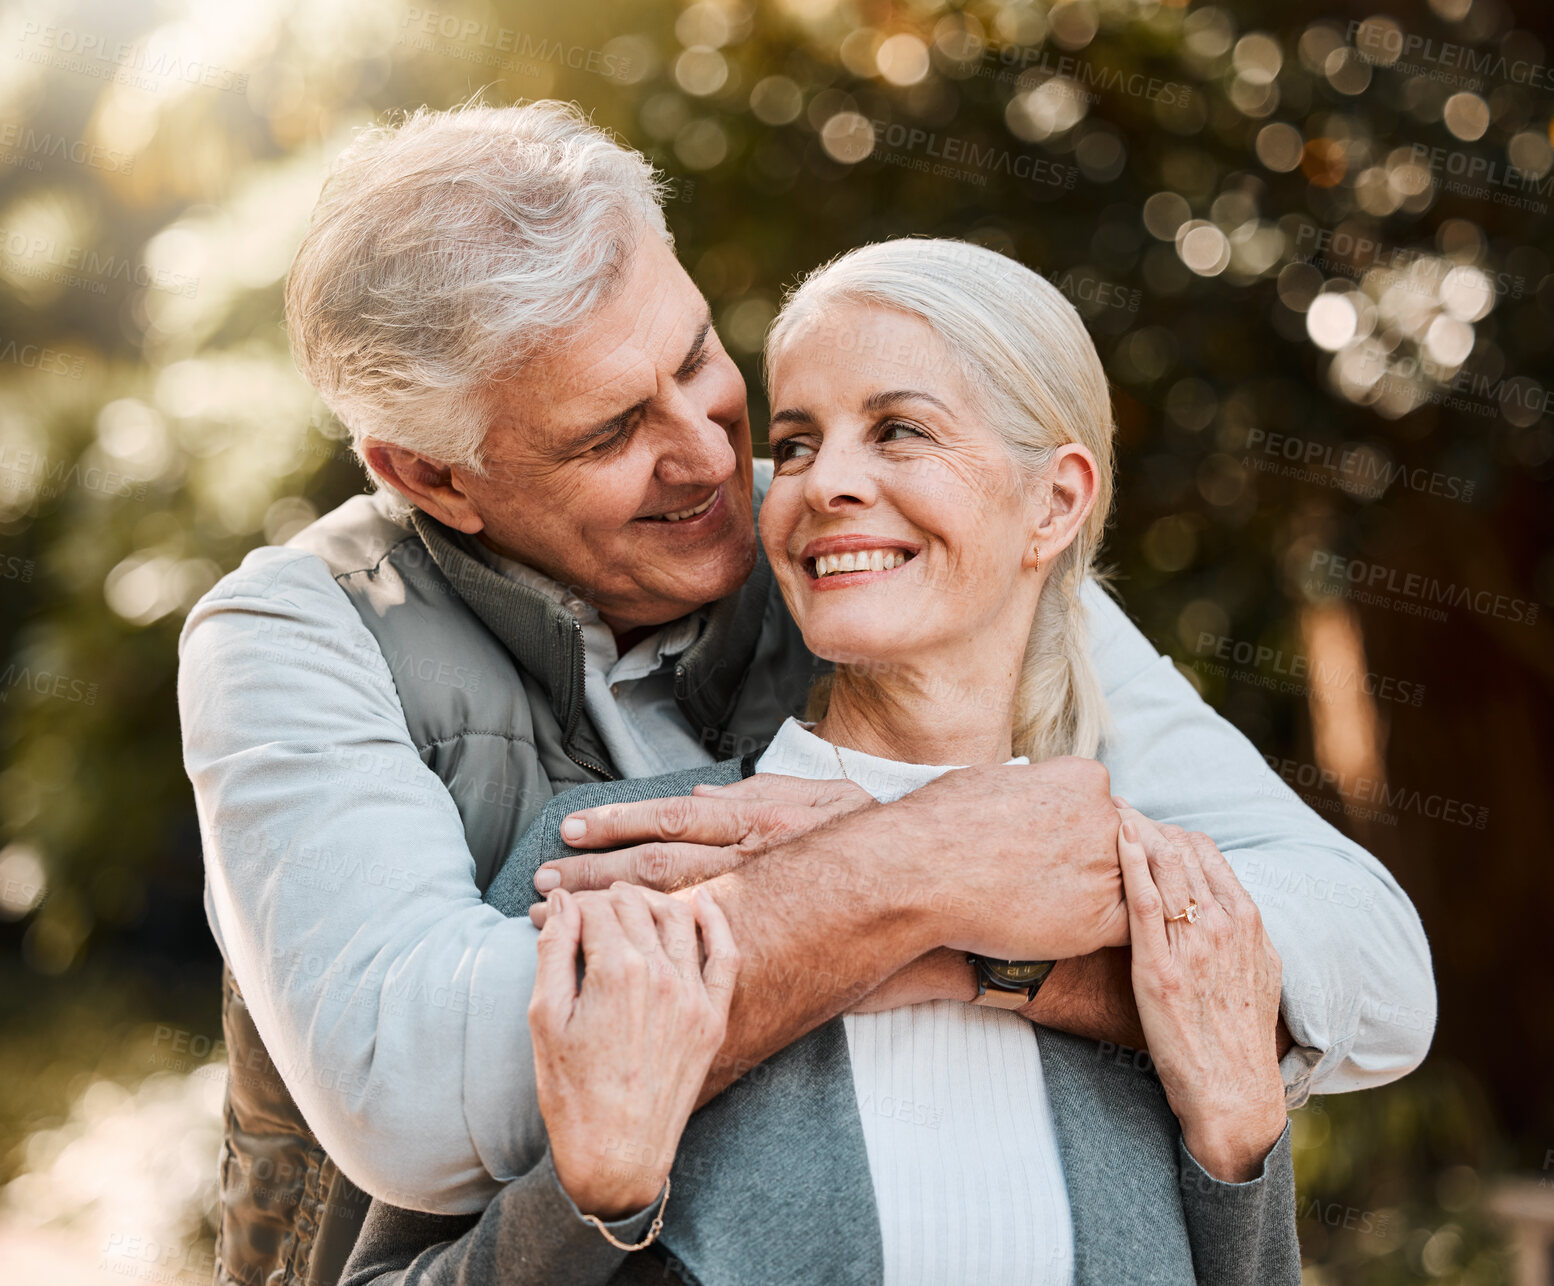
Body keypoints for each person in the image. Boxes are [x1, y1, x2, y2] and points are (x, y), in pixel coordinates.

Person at [177, 102, 1434, 1286]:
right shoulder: (302, 636)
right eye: (613, 432)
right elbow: (416, 1106)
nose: (714, 451)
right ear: (435, 477)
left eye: (697, 358)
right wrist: (921, 857)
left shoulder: (905, 567)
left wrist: (990, 952)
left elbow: (1370, 974)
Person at [339, 237, 1304, 1285]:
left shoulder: (1166, 910)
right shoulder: (619, 860)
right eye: (795, 444)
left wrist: (1240, 1145)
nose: (823, 482)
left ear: (1057, 503)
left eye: (899, 430)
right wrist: (591, 1199)